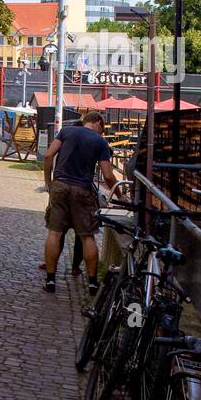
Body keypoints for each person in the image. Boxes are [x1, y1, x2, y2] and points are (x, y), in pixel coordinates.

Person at [42, 111, 120, 295]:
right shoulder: (100, 142)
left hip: (59, 186)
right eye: (103, 128)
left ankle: (51, 280)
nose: (102, 132)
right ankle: (93, 284)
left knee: (55, 233)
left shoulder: (66, 132)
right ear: (98, 122)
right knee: (87, 236)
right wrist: (119, 194)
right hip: (83, 190)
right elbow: (108, 175)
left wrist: (48, 183)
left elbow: (48, 156)